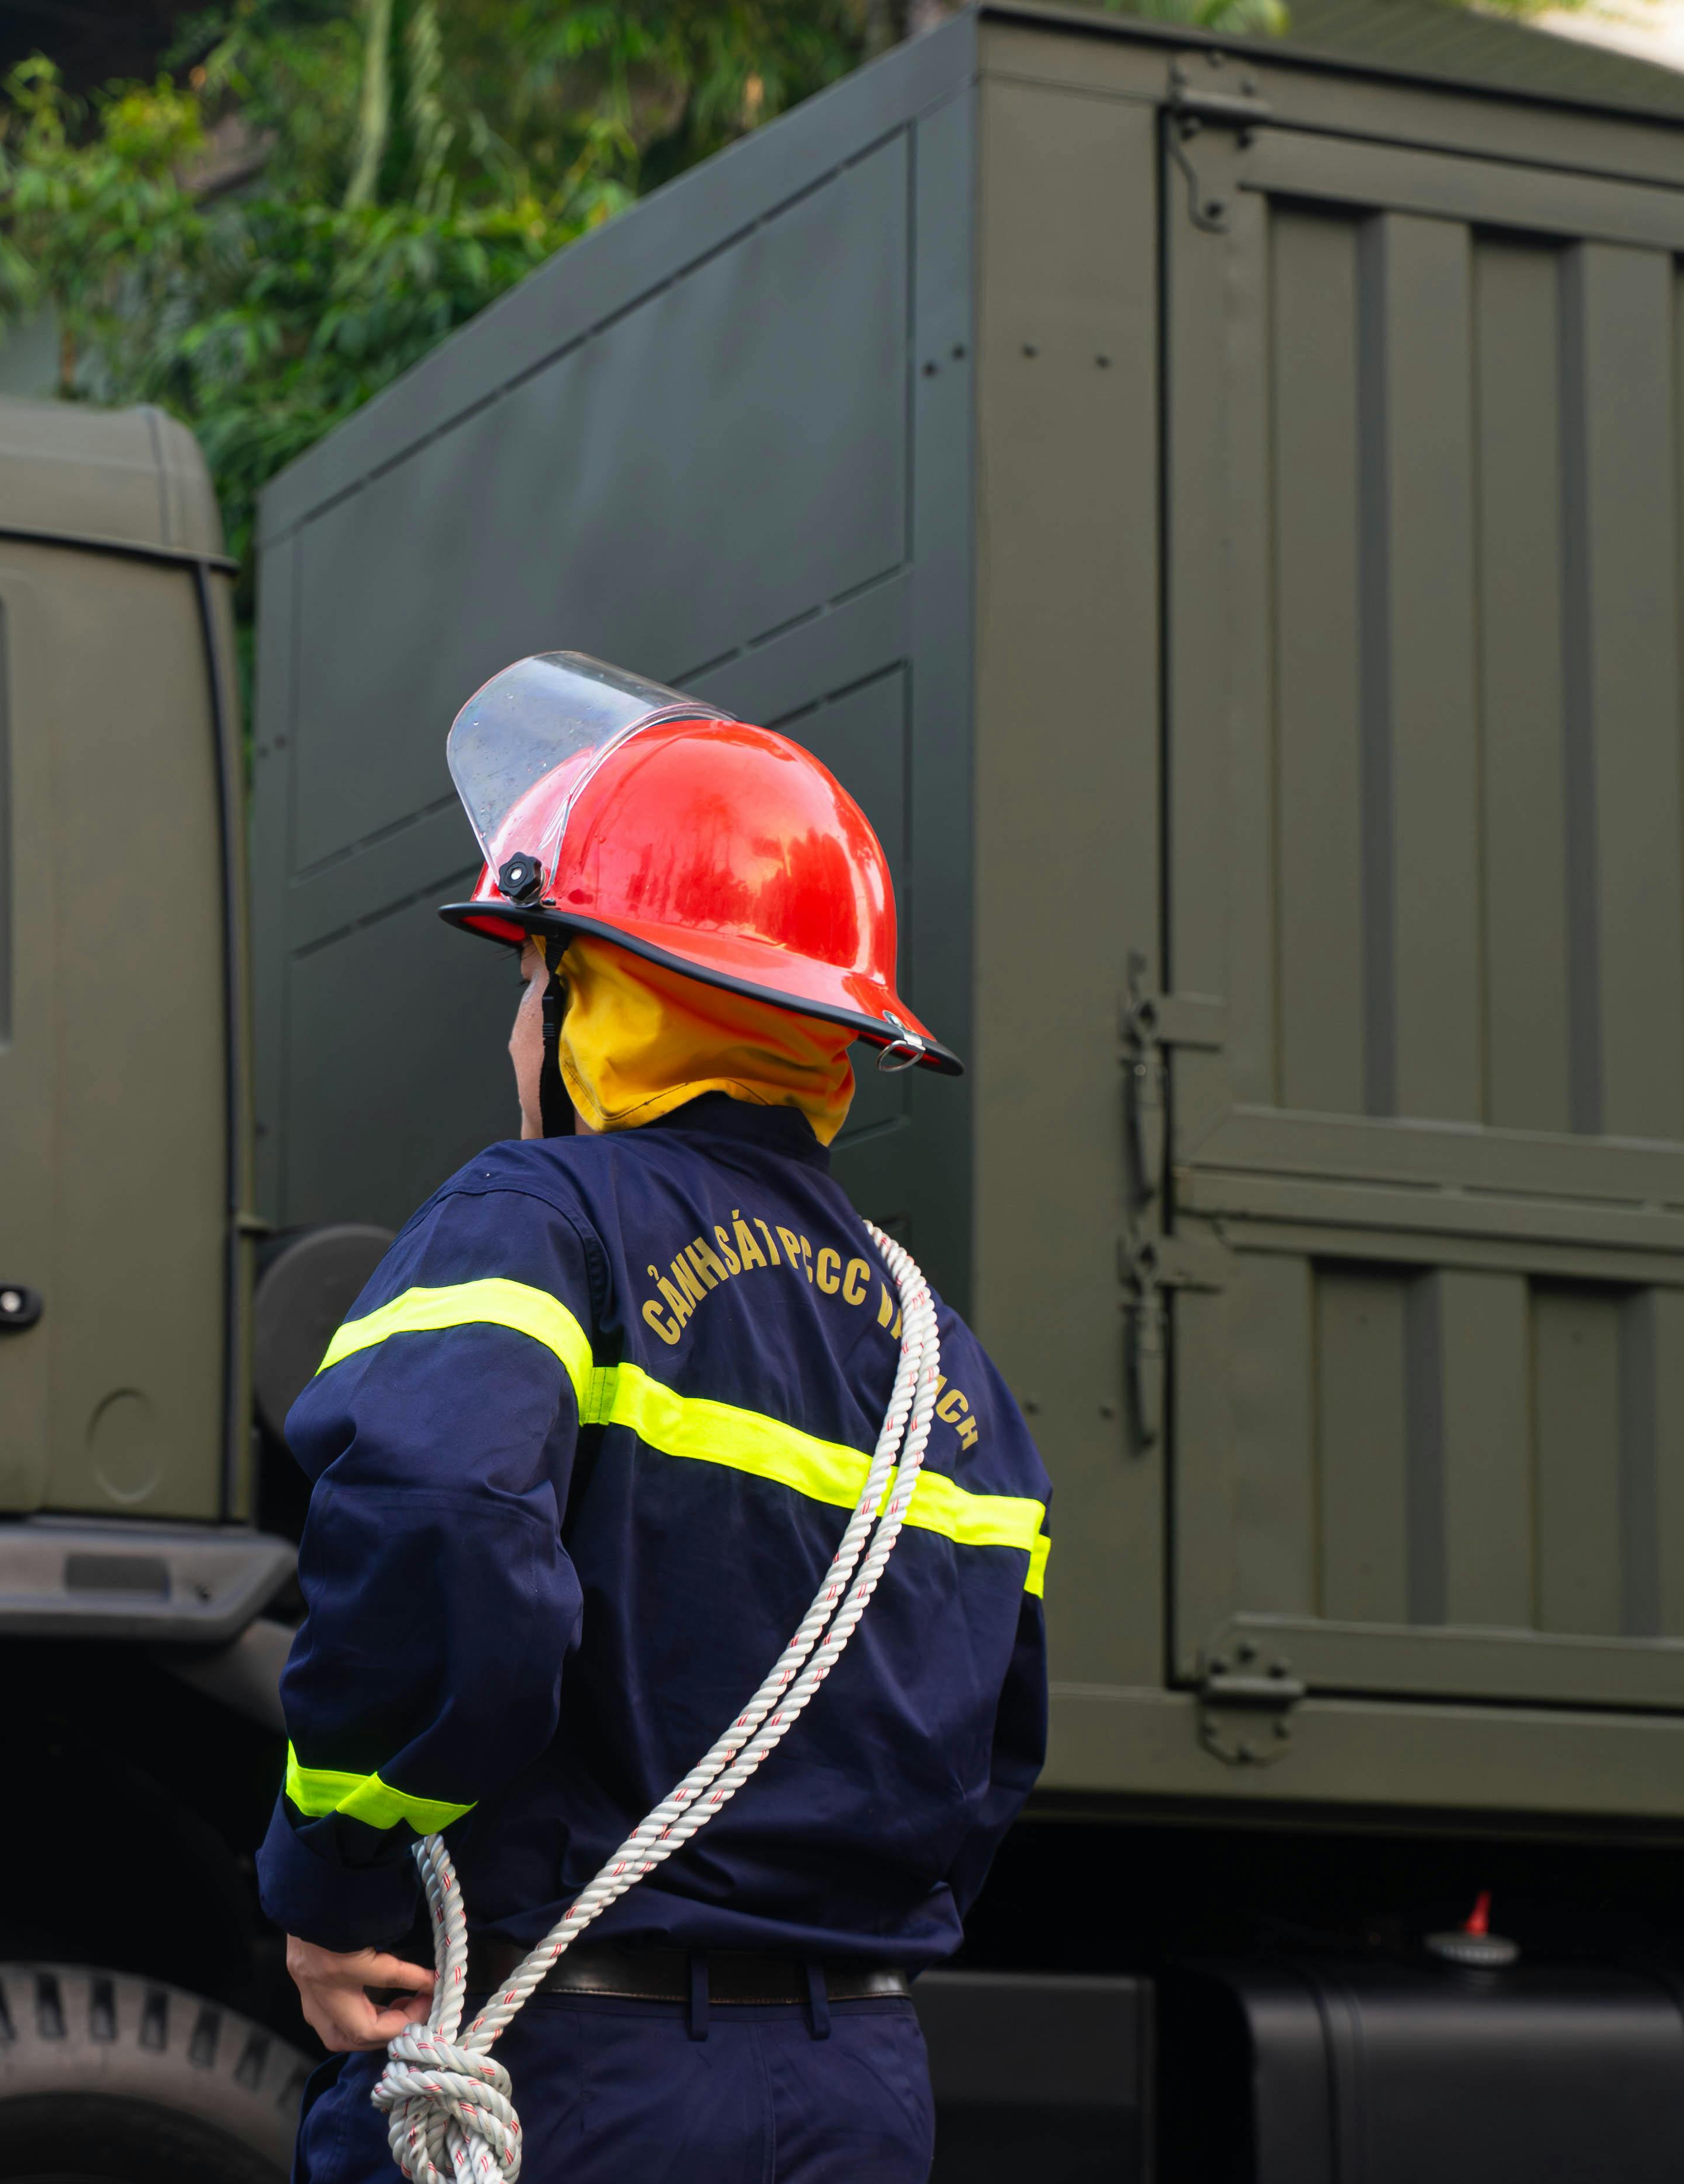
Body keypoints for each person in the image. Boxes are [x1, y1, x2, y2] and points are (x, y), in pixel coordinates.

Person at [257, 654, 1051, 2183]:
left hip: (565, 2070)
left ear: (591, 1000)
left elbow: (433, 1512)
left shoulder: (539, 1218)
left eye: (524, 983)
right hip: (858, 2095)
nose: (511, 1031)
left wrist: (336, 1868)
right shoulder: (948, 1364)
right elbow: (988, 1763)